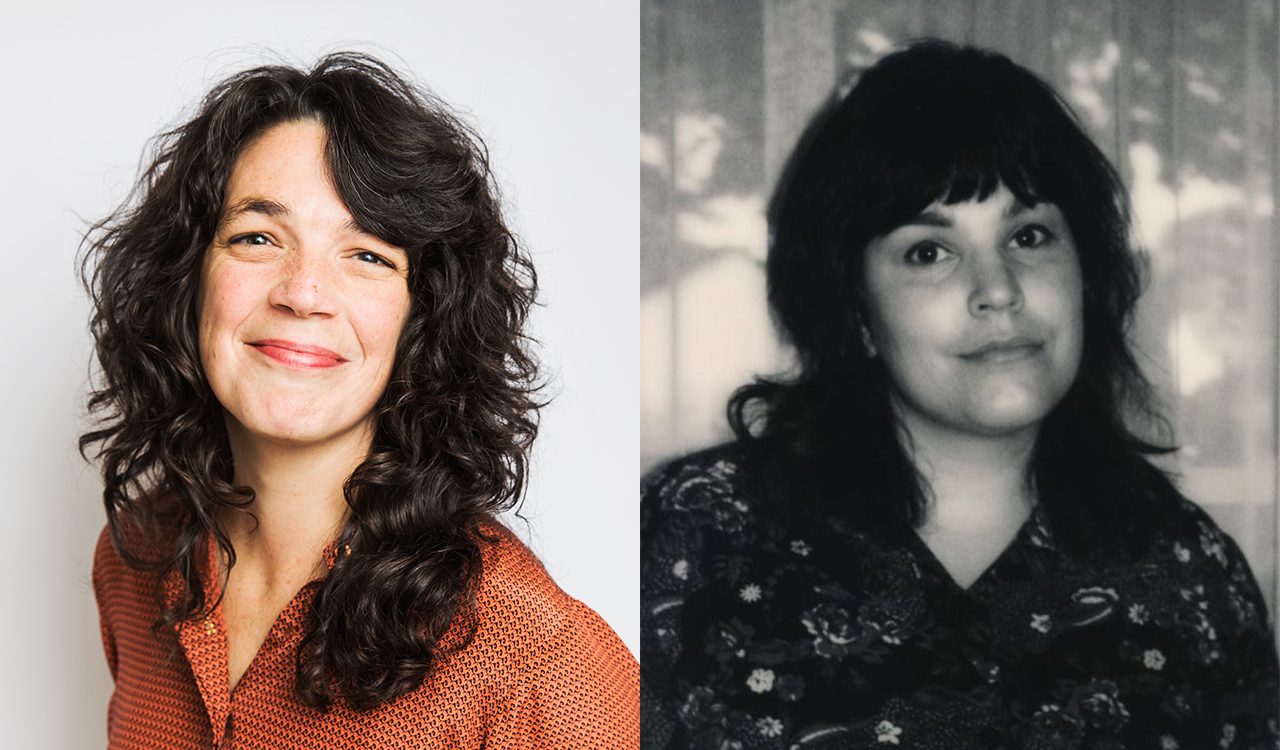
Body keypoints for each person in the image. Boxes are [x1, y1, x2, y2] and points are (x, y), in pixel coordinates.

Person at [641, 39, 1279, 749]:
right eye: (929, 252)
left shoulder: (1191, 577)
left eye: (1029, 235)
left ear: (1086, 275)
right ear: (857, 312)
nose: (999, 291)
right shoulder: (695, 540)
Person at [82, 52, 638, 749]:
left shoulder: (534, 656)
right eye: (257, 237)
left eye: (368, 255)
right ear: (188, 279)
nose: (303, 292)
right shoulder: (133, 558)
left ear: (423, 317)